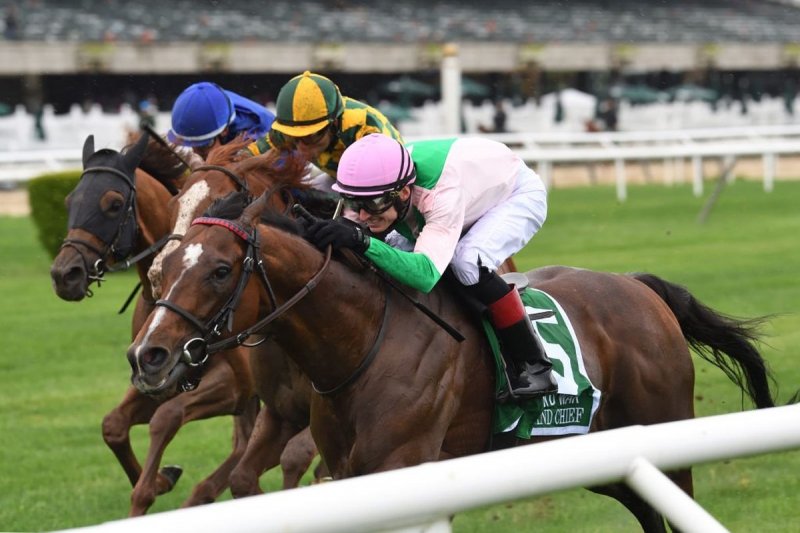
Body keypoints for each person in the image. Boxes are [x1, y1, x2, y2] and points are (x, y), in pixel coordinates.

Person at [303, 133, 557, 400]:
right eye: (354, 203)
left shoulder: (440, 194)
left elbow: (425, 275)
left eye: (373, 204)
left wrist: (362, 241)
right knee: (390, 246)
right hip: (461, 190)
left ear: (403, 193)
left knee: (466, 262)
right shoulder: (377, 187)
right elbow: (354, 228)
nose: (363, 214)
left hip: (514, 194)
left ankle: (534, 363)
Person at [246, 71, 402, 188]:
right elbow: (251, 153)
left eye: (309, 137)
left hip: (389, 181)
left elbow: (381, 184)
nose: (301, 148)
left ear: (334, 123)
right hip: (338, 177)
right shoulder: (287, 130)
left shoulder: (365, 129)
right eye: (294, 138)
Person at [167, 81, 275, 159]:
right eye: (190, 145)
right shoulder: (214, 106)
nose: (196, 154)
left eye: (204, 145)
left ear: (224, 130)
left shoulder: (260, 136)